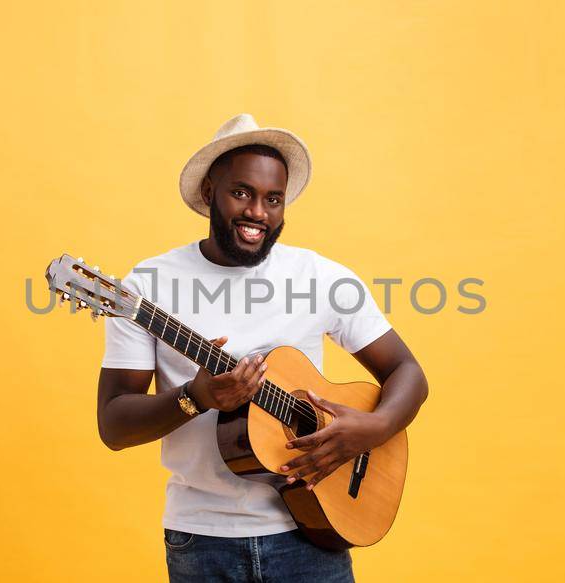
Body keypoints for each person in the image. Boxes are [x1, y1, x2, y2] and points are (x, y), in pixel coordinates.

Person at [97, 114, 429, 582]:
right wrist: (197, 398)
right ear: (210, 192)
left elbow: (407, 372)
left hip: (312, 534)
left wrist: (372, 429)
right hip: (201, 541)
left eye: (273, 199)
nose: (258, 212)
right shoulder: (146, 288)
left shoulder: (321, 278)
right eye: (241, 193)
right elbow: (113, 425)